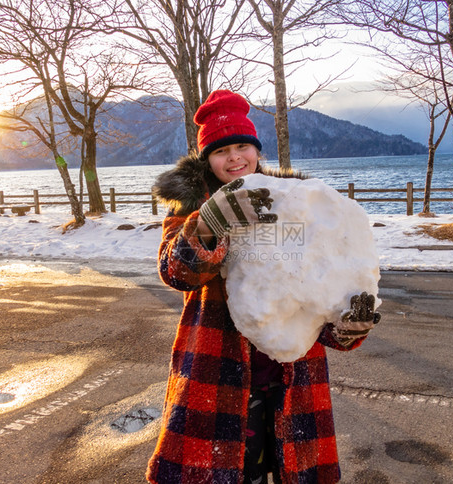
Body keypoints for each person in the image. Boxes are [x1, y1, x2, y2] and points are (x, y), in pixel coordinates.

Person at [148, 90, 380, 484]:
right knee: (230, 473)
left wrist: (342, 329)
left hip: (291, 372)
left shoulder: (292, 202)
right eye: (222, 151)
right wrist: (208, 226)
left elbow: (316, 282)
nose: (235, 157)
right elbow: (176, 274)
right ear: (207, 159)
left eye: (243, 146)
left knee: (293, 470)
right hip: (218, 368)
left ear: (257, 150)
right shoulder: (192, 207)